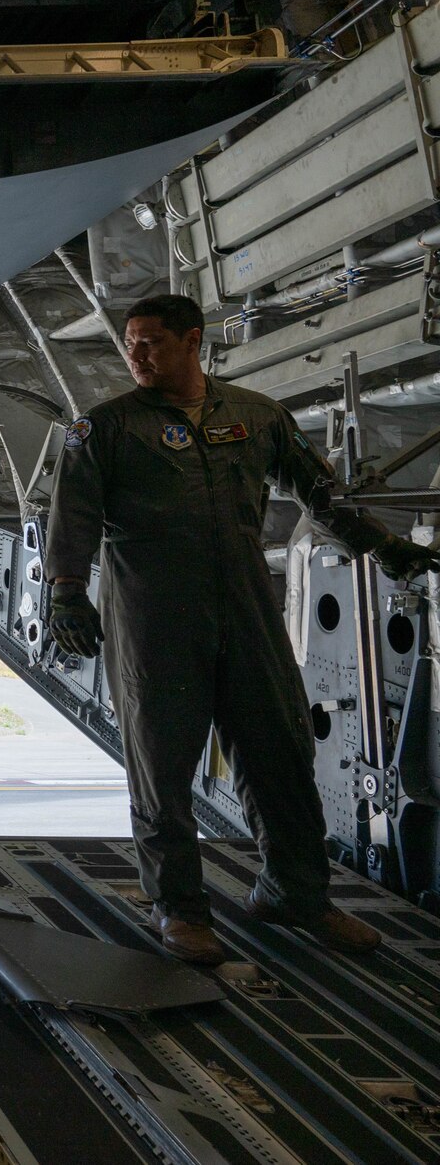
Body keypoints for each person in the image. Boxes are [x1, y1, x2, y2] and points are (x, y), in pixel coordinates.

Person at [45, 292, 437, 965]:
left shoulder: (257, 418)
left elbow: (322, 496)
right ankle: (179, 908)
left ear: (193, 340)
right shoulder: (105, 429)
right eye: (129, 343)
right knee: (162, 766)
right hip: (152, 620)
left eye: (151, 343)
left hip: (247, 608)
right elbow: (72, 514)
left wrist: (386, 547)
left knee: (281, 751)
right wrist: (65, 592)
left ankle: (296, 893)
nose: (135, 356)